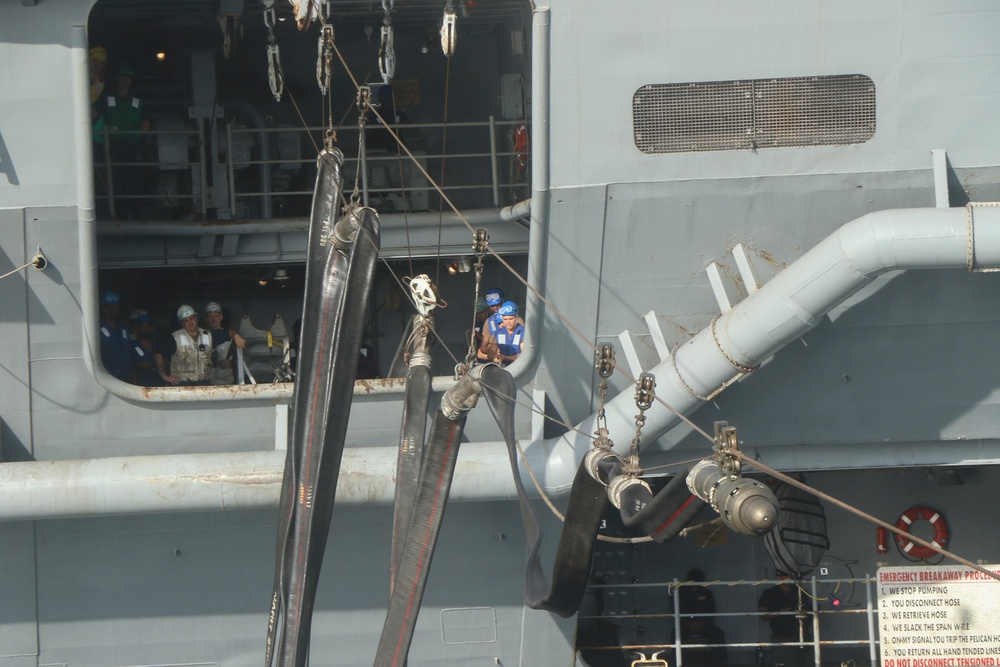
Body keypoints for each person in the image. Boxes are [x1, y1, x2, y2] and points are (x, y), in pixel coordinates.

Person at [98, 61, 150, 219]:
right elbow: (96, 117)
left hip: (132, 149)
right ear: (116, 78)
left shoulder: (139, 101)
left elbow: (146, 124)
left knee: (134, 184)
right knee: (115, 184)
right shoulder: (107, 99)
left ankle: (138, 216)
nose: (125, 79)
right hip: (112, 149)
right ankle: (118, 216)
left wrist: (141, 140)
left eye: (128, 76)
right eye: (122, 75)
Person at [759, 570, 810, 667]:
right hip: (780, 632)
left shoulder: (799, 592)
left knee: (803, 659)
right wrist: (780, 612)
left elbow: (807, 612)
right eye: (779, 576)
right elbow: (763, 614)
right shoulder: (769, 593)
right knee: (785, 662)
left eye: (784, 575)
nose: (781, 578)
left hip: (800, 631)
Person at [677, 569, 726, 667]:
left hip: (704, 625)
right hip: (685, 625)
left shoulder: (706, 593)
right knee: (676, 636)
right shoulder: (680, 593)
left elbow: (711, 611)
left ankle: (719, 664)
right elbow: (676, 611)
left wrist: (701, 624)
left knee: (719, 634)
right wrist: (689, 624)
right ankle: (678, 664)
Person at [155, 305, 213, 386]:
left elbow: (228, 333)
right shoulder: (175, 338)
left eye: (192, 318)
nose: (190, 322)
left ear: (196, 318)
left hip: (204, 383)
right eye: (186, 320)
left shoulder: (208, 335)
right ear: (181, 323)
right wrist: (164, 376)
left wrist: (235, 335)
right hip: (182, 384)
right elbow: (157, 354)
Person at [203, 302, 247, 385]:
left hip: (227, 382)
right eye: (210, 317)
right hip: (207, 382)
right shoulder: (200, 337)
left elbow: (244, 358)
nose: (213, 319)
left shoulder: (232, 337)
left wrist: (231, 363)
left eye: (216, 316)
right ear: (206, 318)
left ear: (221, 317)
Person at [98, 290, 132, 381]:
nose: (112, 309)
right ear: (102, 308)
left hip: (126, 377)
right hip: (107, 377)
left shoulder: (123, 329)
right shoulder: (97, 329)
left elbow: (130, 355)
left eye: (114, 306)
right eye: (108, 306)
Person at [478, 301, 524, 366]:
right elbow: (491, 352)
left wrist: (505, 358)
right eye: (505, 319)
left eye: (510, 319)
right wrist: (494, 357)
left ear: (516, 317)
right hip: (503, 367)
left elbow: (524, 356)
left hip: (520, 366)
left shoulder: (523, 332)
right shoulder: (499, 333)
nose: (508, 322)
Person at [130, 313, 164, 387]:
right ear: (137, 328)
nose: (145, 329)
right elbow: (128, 366)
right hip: (140, 386)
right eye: (142, 326)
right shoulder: (132, 345)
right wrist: (139, 364)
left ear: (151, 328)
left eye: (148, 326)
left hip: (157, 385)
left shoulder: (156, 346)